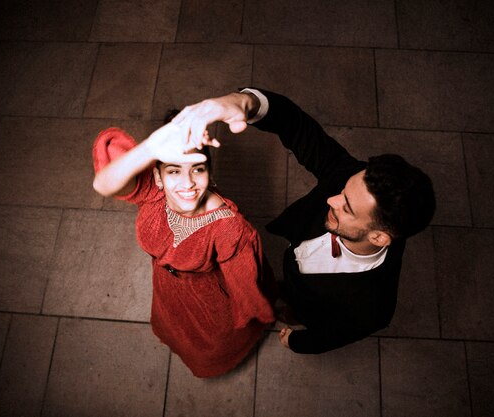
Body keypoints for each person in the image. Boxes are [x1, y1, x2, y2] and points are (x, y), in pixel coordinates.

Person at [172, 88, 436, 354]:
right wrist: (244, 103)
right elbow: (296, 125)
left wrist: (297, 343)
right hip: (294, 269)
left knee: (296, 308)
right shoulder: (350, 176)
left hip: (310, 305)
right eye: (343, 191)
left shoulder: (372, 307)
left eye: (347, 208)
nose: (331, 200)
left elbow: (331, 335)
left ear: (378, 236)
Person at [91, 117, 276, 377]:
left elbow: (246, 289)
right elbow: (103, 183)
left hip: (208, 301)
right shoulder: (154, 193)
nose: (187, 183)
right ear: (157, 176)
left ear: (209, 172)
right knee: (174, 328)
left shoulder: (227, 227)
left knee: (210, 345)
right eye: (174, 170)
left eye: (197, 169)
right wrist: (152, 148)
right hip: (168, 291)